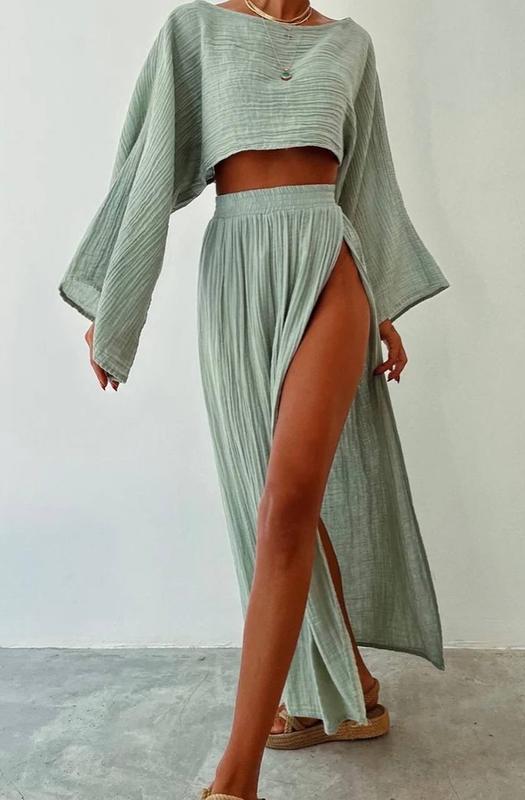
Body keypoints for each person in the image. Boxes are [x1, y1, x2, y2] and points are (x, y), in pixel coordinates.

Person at [58, 2, 451, 799]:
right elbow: (147, 163)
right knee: (272, 501)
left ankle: (234, 781)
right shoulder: (195, 31)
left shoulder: (350, 44)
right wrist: (115, 305)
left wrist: (382, 309)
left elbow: (368, 179)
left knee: (288, 501)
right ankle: (350, 688)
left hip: (330, 263)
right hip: (237, 269)